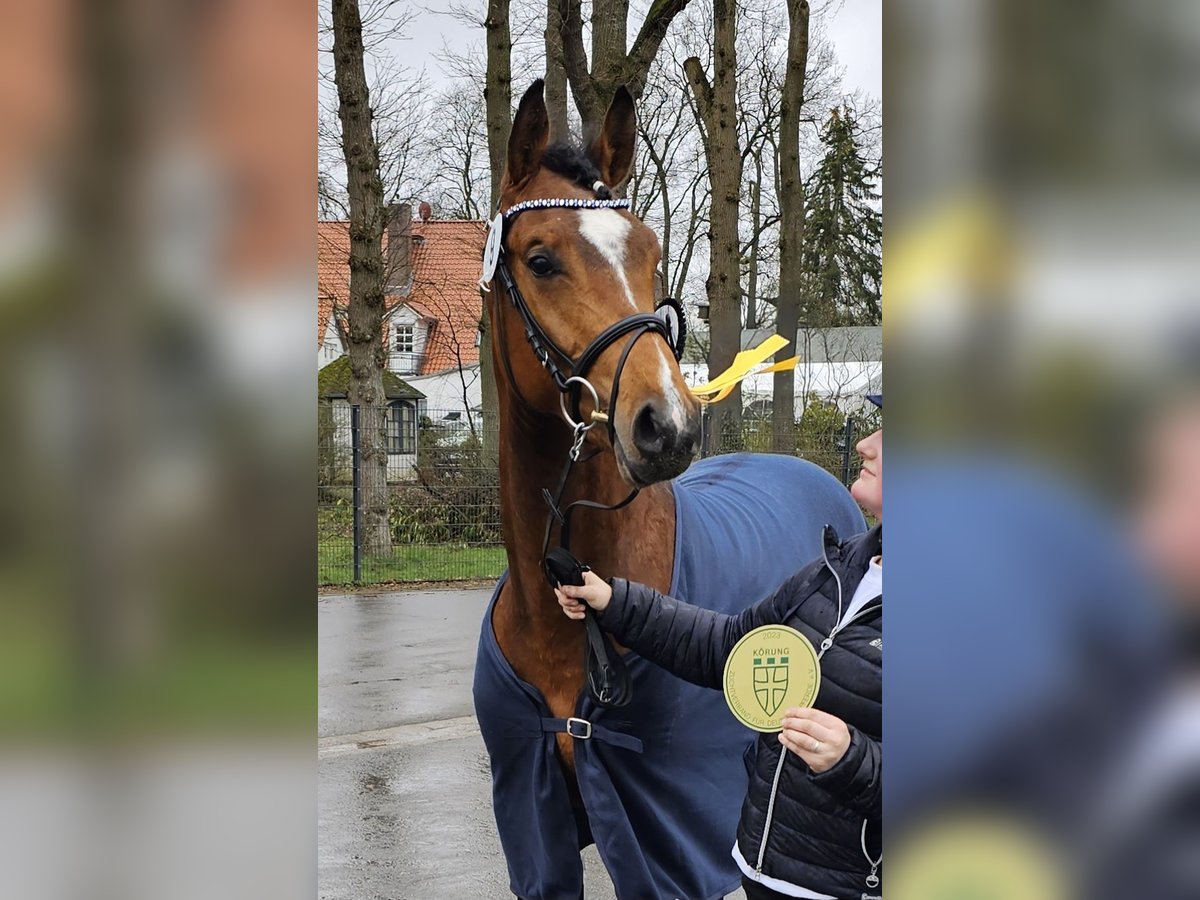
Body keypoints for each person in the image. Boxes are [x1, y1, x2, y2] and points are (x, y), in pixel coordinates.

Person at [557, 396, 883, 900]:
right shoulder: (840, 569)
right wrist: (614, 600)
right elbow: (729, 646)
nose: (866, 444)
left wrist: (852, 758)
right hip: (763, 874)